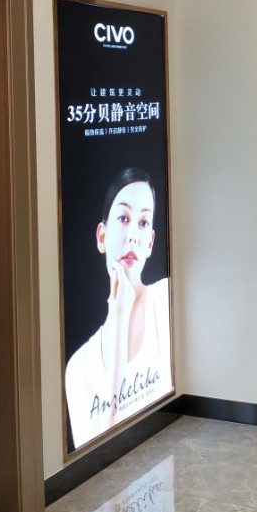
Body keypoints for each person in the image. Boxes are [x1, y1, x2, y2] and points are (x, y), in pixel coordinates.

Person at [65, 167, 172, 450]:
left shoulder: (166, 299)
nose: (133, 235)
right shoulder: (78, 368)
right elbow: (104, 451)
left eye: (143, 222)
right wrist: (118, 317)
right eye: (124, 218)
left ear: (150, 243)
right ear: (102, 236)